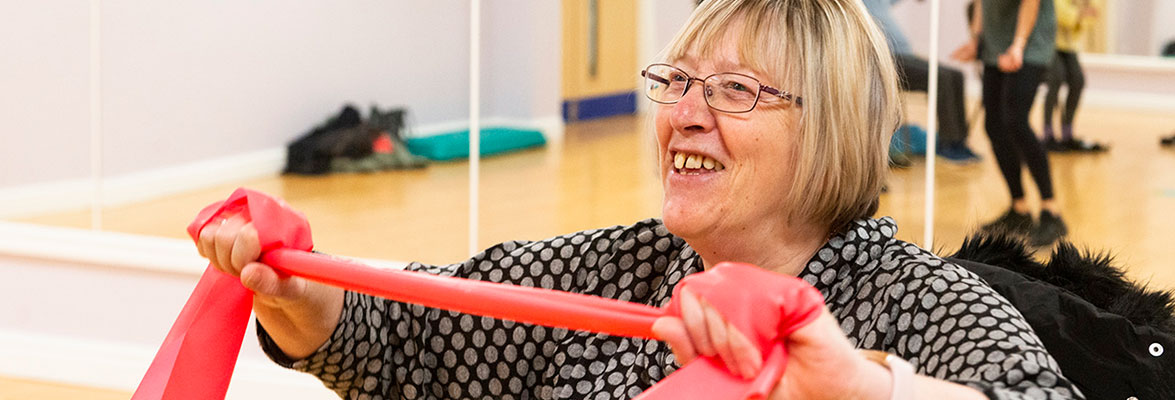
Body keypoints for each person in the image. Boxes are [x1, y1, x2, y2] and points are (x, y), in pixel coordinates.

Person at [197, 1, 1082, 398]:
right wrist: (307, 298)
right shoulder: (619, 270)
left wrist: (862, 392)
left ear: (832, 130)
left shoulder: (917, 305)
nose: (685, 116)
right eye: (677, 81)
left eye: (736, 91)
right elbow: (412, 340)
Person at [951, 0, 1068, 246]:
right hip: (995, 45)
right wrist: (976, 39)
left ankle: (1051, 210)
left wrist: (1018, 45)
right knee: (994, 124)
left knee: (1015, 120)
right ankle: (1020, 208)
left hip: (1030, 44)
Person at [863, 0, 982, 164]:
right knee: (941, 78)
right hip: (885, 58)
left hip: (904, 56)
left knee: (955, 75)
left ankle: (958, 142)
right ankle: (949, 146)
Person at [1041, 0, 1107, 153]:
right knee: (1055, 79)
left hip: (1069, 45)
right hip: (1050, 43)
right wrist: (1079, 14)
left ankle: (1067, 132)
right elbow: (1061, 13)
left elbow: (1090, 17)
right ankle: (1048, 133)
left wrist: (1078, 16)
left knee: (1078, 81)